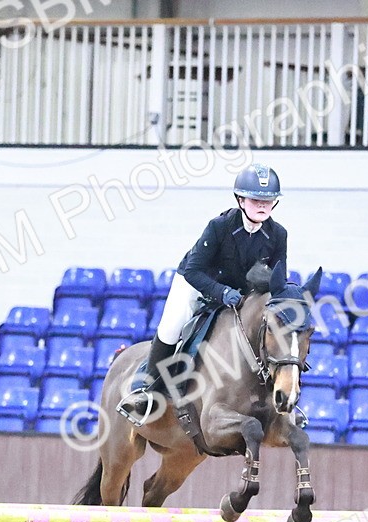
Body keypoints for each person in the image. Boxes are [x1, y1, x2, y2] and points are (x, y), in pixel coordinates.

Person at [116, 163, 289, 425]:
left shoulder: (278, 234)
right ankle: (146, 392)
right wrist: (222, 292)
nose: (262, 205)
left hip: (240, 295)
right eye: (256, 200)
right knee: (172, 326)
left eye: (268, 200)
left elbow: (279, 280)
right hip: (198, 283)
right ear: (240, 200)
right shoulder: (219, 227)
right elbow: (194, 271)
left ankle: (282, 402)